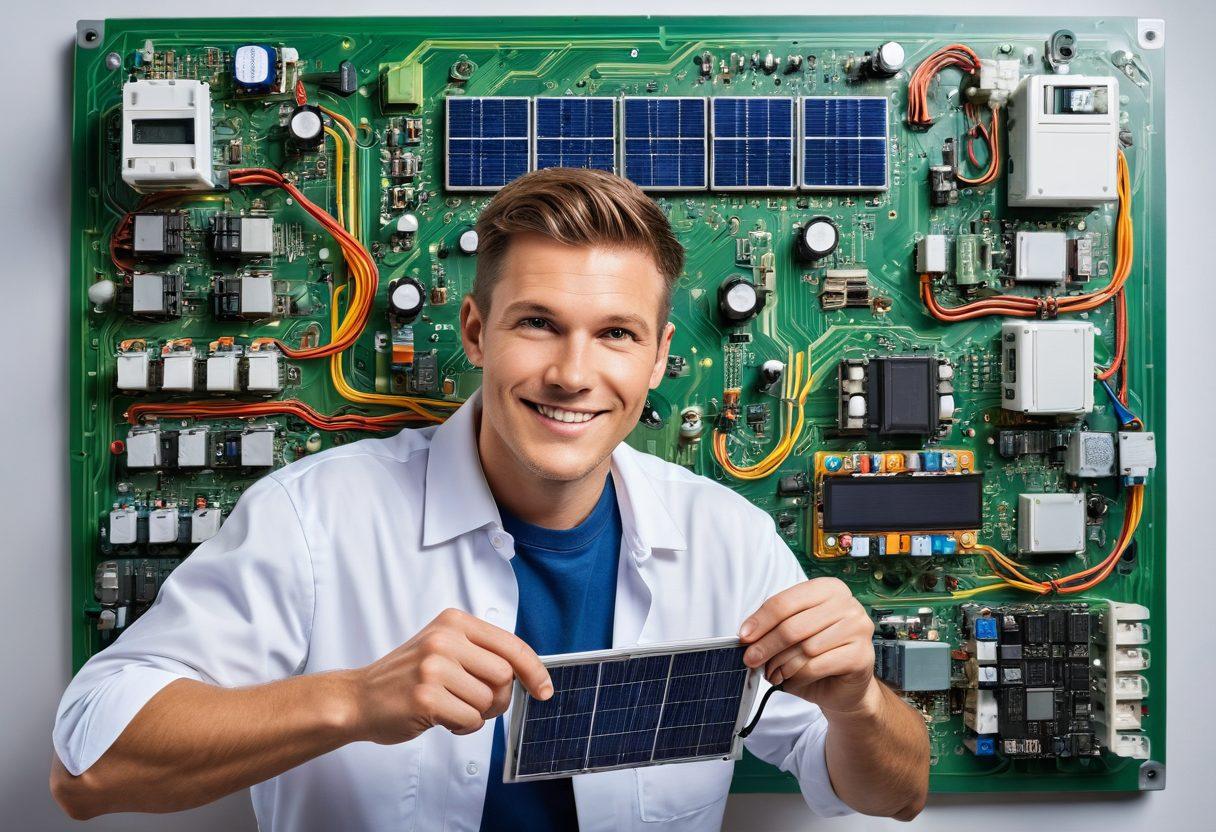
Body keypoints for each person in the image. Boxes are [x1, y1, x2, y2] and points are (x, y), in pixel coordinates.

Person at [51, 167, 929, 830]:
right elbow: (85, 770)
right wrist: (350, 701)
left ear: (659, 359)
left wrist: (857, 704)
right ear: (476, 332)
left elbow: (897, 793)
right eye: (538, 322)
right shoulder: (314, 519)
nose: (573, 374)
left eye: (615, 335)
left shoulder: (730, 542)